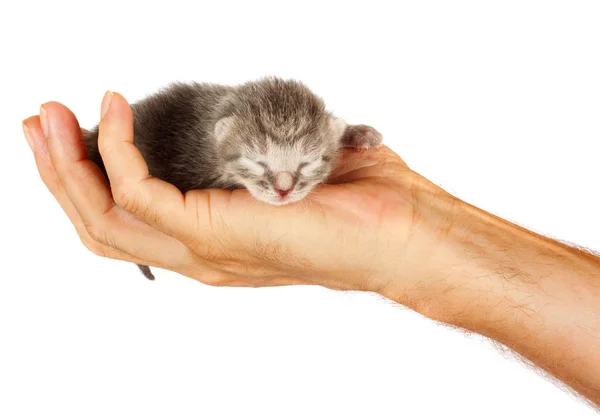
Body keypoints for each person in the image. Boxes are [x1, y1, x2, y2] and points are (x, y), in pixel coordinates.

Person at [22, 91, 600, 407]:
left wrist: (356, 151)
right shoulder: (207, 142)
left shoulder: (312, 142)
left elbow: (319, 143)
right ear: (226, 144)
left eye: (306, 168)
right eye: (259, 170)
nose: (282, 190)